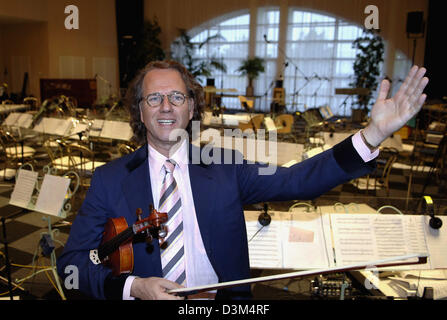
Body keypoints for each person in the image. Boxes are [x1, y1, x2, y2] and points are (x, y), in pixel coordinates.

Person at [57, 60, 428, 300]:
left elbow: (299, 181)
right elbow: (72, 265)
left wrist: (372, 135)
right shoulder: (109, 180)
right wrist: (134, 287)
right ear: (139, 110)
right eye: (154, 98)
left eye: (176, 97)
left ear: (191, 107)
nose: (166, 106)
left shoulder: (225, 166)